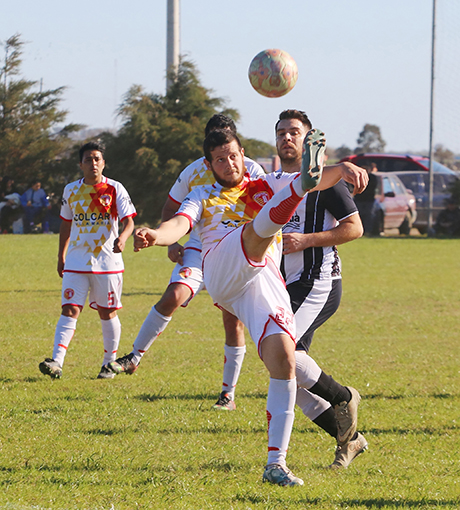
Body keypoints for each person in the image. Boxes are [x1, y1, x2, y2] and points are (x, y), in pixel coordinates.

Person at [131, 128, 368, 486]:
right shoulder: (202, 194)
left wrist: (344, 167)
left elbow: (324, 178)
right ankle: (296, 190)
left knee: (284, 358)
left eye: (233, 156)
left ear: (243, 155)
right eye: (220, 159)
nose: (228, 164)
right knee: (254, 234)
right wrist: (156, 235)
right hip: (223, 266)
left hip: (263, 281)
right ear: (210, 165)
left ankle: (276, 464)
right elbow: (178, 225)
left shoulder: (267, 182)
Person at [211, 110, 368, 469]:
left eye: (294, 132)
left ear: (308, 139)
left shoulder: (326, 183)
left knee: (280, 356)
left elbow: (355, 228)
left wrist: (307, 240)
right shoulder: (269, 182)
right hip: (283, 285)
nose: (287, 138)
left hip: (317, 280)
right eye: (281, 132)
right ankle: (349, 438)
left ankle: (343, 396)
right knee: (288, 372)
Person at [108, 115, 264, 397]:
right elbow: (173, 211)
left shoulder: (254, 171)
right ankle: (134, 357)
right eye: (216, 152)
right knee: (173, 296)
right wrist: (166, 240)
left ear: (239, 148)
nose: (227, 161)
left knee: (233, 320)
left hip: (237, 256)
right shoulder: (195, 175)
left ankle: (227, 393)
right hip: (200, 248)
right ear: (207, 153)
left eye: (229, 146)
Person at [38, 142, 136, 380]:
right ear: (80, 164)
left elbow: (129, 221)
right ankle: (56, 362)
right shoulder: (70, 190)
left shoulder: (115, 188)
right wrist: (61, 255)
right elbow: (66, 223)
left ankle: (108, 364)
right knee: (69, 309)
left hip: (108, 263)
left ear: (103, 163)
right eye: (88, 159)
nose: (93, 163)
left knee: (107, 312)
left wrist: (123, 238)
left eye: (97, 159)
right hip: (76, 261)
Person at [353, 162, 378, 235]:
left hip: (369, 200)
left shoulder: (373, 178)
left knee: (369, 216)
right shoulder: (356, 177)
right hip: (358, 199)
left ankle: (367, 231)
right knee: (358, 216)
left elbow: (372, 187)